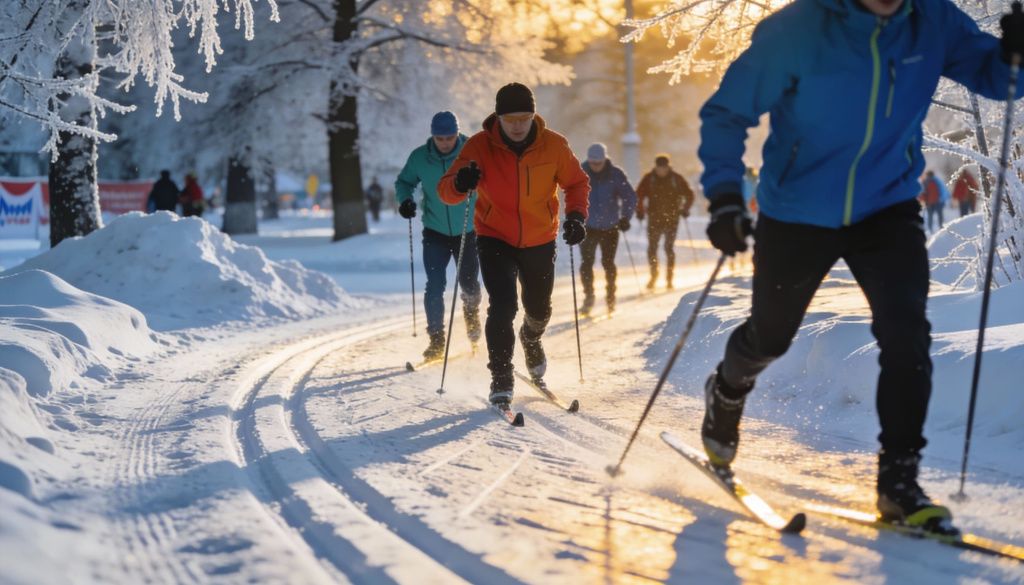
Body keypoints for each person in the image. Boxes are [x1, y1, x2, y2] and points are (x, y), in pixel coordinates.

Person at [696, 0, 1024, 532]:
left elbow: (997, 79)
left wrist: (1015, 53)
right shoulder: (800, 27)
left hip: (886, 207)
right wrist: (727, 196)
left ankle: (899, 483)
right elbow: (727, 111)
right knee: (772, 336)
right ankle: (727, 390)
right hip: (797, 210)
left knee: (906, 336)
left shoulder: (931, 21)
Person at [439, 82, 590, 405]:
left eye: (525, 117)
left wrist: (576, 216)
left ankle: (531, 338)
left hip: (540, 238)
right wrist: (460, 184)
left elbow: (576, 183)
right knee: (503, 305)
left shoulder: (554, 145)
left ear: (534, 115)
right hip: (495, 236)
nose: (519, 125)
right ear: (499, 118)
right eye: (511, 119)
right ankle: (501, 376)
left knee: (539, 308)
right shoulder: (479, 147)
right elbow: (446, 191)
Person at [396, 111, 481, 360]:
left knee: (469, 285)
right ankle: (436, 340)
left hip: (469, 229)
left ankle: (472, 321)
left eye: (450, 137)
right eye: (440, 138)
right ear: (432, 136)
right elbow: (404, 182)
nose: (445, 142)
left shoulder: (471, 153)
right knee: (434, 285)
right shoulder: (420, 157)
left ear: (457, 133)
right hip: (435, 231)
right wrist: (405, 201)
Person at [578, 143, 637, 316]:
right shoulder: (580, 172)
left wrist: (625, 217)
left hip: (610, 226)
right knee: (586, 263)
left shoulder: (615, 174)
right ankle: (589, 297)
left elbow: (629, 197)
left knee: (608, 263)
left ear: (605, 159)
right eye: (592, 162)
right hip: (588, 226)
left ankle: (611, 296)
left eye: (599, 162)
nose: (595, 166)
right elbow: (568, 194)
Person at [635, 154, 694, 289]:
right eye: (659, 167)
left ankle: (669, 278)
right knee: (652, 248)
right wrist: (640, 210)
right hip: (654, 218)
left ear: (668, 166)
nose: (662, 170)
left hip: (672, 219)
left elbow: (689, 194)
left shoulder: (676, 179)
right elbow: (638, 194)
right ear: (655, 167)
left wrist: (685, 208)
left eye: (664, 167)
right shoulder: (648, 178)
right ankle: (654, 275)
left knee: (668, 248)